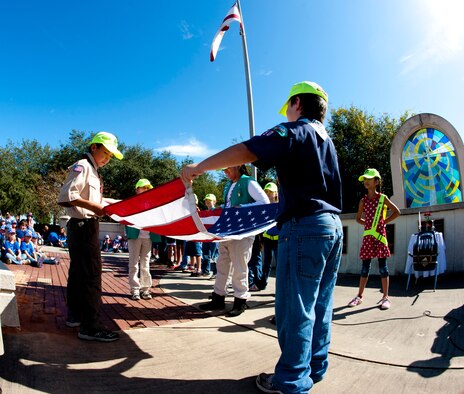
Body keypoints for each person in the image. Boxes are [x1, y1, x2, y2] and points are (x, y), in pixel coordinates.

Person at [181, 81, 343, 393]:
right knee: (320, 305)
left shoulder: (295, 131)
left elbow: (248, 150)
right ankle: (314, 367)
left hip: (305, 226)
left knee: (295, 307)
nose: (288, 112)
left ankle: (291, 380)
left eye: (289, 107)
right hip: (331, 226)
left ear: (297, 103)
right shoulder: (327, 141)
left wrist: (199, 167)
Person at [58, 131, 123, 342]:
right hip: (84, 226)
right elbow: (66, 196)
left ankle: (75, 316)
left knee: (78, 274)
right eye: (106, 153)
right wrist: (96, 207)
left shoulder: (92, 170)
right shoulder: (83, 166)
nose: (108, 159)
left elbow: (87, 197)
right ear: (94, 147)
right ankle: (91, 326)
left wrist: (110, 203)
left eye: (111, 156)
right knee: (92, 275)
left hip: (82, 226)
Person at [195, 165, 269, 317]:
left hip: (242, 232)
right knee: (222, 265)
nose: (226, 172)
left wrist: (241, 207)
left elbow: (265, 202)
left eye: (228, 169)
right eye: (223, 170)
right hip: (227, 231)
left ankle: (240, 300)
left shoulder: (248, 182)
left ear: (238, 166)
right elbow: (229, 205)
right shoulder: (229, 185)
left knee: (239, 267)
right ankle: (218, 297)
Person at [348, 168, 401, 310]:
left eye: (369, 178)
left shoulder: (383, 198)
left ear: (376, 181)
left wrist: (384, 221)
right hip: (368, 238)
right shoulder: (363, 201)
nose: (366, 181)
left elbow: (397, 212)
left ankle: (385, 297)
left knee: (383, 268)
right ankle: (359, 296)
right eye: (364, 179)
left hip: (380, 237)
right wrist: (369, 224)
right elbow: (358, 218)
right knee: (365, 268)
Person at [125, 179, 158, 301]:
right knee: (133, 264)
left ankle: (145, 289)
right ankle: (135, 290)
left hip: (148, 237)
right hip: (134, 237)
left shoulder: (152, 204)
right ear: (137, 189)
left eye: (147, 188)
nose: (145, 190)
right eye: (143, 188)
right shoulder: (131, 202)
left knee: (145, 264)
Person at [260, 182, 279, 291]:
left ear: (276, 193)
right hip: (267, 239)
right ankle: (263, 284)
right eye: (266, 191)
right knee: (266, 264)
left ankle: (279, 289)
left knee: (280, 265)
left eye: (270, 192)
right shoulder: (264, 207)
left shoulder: (280, 206)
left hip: (278, 240)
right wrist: (261, 241)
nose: (268, 194)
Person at [201, 194, 219, 278]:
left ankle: (216, 272)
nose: (207, 202)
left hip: (214, 237)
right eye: (206, 201)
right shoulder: (205, 213)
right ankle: (205, 270)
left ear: (214, 202)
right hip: (206, 236)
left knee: (214, 255)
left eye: (210, 200)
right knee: (205, 254)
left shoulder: (216, 211)